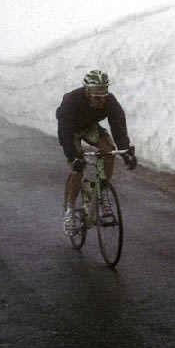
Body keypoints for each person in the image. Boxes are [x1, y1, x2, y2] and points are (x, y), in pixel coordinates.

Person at [56, 69, 136, 234]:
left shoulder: (109, 101)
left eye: (104, 97)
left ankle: (102, 193)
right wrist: (73, 157)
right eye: (97, 98)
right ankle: (69, 211)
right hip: (71, 132)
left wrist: (126, 151)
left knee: (109, 150)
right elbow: (64, 132)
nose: (101, 101)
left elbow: (118, 126)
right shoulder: (71, 101)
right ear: (87, 92)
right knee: (78, 170)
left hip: (89, 128)